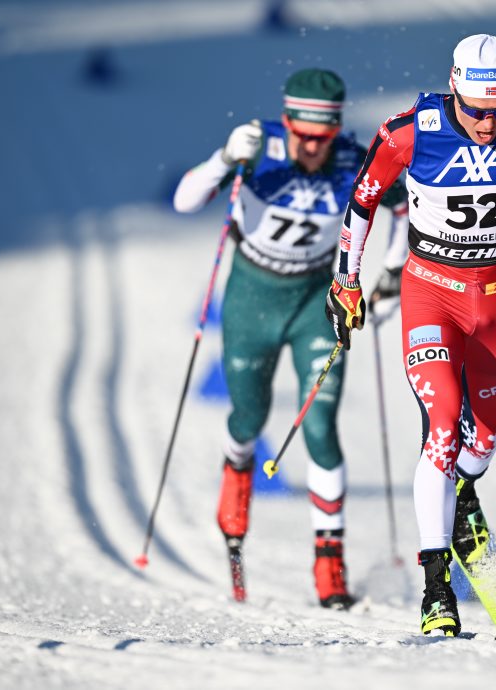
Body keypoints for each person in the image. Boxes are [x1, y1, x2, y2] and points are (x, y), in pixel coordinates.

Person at [325, 34, 496, 634]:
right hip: (433, 294)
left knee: (481, 447)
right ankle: (436, 588)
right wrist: (346, 281)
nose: (486, 123)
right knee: (444, 425)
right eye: (475, 110)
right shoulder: (410, 132)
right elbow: (362, 202)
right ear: (454, 88)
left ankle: (464, 497)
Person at [173, 68, 409, 609]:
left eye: (323, 137)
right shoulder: (258, 147)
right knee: (248, 418)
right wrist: (223, 160)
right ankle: (236, 471)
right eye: (303, 135)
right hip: (251, 299)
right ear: (287, 122)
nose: (312, 147)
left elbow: (403, 209)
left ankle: (329, 564)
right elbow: (185, 201)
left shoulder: (352, 159)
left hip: (316, 303)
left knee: (321, 427)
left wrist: (393, 273)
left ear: (336, 130)